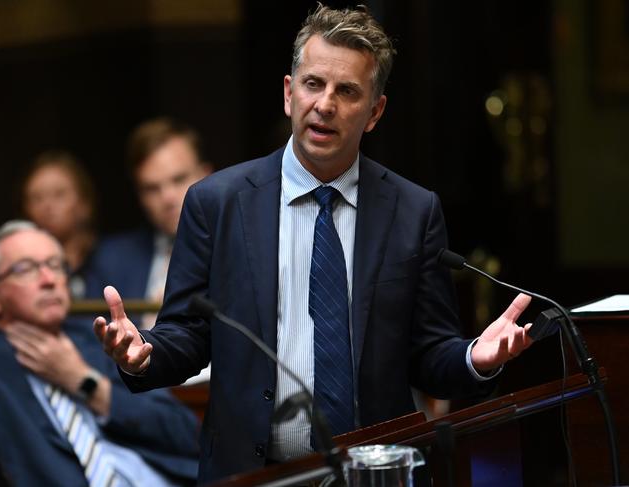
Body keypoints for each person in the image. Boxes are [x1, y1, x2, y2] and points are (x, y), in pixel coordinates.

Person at [93, 4, 534, 484]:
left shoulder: (412, 210)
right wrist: (145, 356)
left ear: (374, 112)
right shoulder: (217, 203)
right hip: (255, 472)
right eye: (313, 84)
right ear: (288, 93)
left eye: (347, 92)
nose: (325, 104)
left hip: (374, 473)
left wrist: (475, 359)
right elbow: (190, 336)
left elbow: (429, 354)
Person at [0, 220, 200, 486]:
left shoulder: (100, 338)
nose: (49, 280)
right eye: (26, 269)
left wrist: (85, 382)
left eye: (55, 265)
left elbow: (187, 435)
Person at [84, 117, 212, 329]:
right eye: (151, 188)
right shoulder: (110, 260)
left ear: (207, 175)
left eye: (179, 179)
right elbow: (92, 340)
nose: (167, 198)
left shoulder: (242, 246)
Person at [19, 150, 98, 298]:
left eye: (59, 194)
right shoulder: (18, 270)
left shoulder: (112, 261)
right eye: (37, 198)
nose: (47, 206)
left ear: (84, 203)